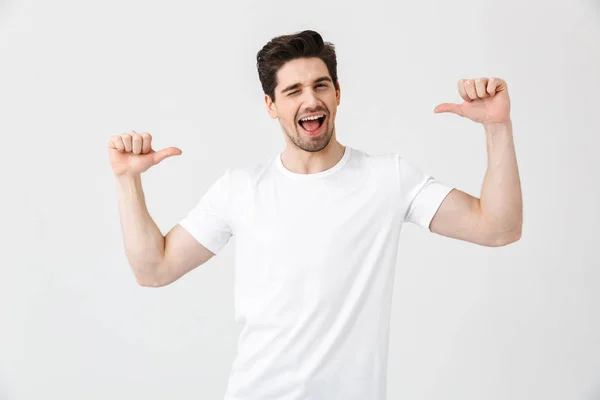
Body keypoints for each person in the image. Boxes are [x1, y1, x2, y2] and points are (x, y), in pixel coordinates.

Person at [108, 30, 522, 400]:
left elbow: (498, 227)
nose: (310, 100)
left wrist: (497, 126)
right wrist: (128, 181)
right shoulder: (240, 189)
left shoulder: (388, 179)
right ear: (271, 105)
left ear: (337, 93)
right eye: (292, 91)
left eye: (320, 85)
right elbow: (154, 269)